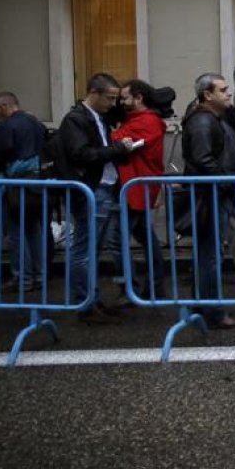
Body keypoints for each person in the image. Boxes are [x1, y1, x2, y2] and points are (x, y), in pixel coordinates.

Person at [58, 73, 139, 324]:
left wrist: (120, 149)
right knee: (84, 249)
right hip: (91, 189)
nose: (113, 103)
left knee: (92, 249)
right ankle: (85, 302)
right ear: (93, 92)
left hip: (102, 187)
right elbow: (81, 154)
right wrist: (118, 149)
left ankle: (90, 299)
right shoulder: (75, 119)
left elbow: (96, 151)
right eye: (110, 98)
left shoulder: (97, 118)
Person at [182, 73, 235, 330]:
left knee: (208, 254)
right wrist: (225, 183)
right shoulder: (202, 121)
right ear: (207, 94)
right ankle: (213, 311)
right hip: (211, 197)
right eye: (222, 89)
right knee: (210, 255)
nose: (228, 93)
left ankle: (203, 306)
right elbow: (203, 160)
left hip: (215, 194)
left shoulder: (210, 119)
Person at [0, 92, 49, 293]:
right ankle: (39, 276)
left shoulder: (7, 126)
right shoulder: (35, 123)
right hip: (37, 183)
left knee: (15, 233)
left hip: (16, 184)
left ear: (3, 107)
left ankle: (23, 278)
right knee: (34, 230)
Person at [112, 79, 170, 301]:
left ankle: (130, 288)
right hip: (136, 187)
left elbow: (117, 142)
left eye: (125, 97)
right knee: (145, 237)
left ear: (139, 98)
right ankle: (153, 286)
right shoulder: (140, 120)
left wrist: (114, 135)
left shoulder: (146, 122)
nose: (120, 101)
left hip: (134, 187)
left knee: (117, 240)